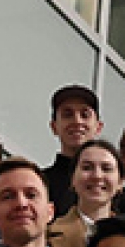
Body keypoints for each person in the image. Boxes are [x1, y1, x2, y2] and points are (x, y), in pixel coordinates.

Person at [46, 137, 125, 247]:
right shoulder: (47, 236)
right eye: (87, 168)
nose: (97, 176)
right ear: (72, 179)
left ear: (121, 182)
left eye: (106, 168)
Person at [43, 83, 102, 212]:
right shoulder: (41, 183)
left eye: (85, 115)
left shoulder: (109, 184)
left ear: (98, 127)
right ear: (54, 127)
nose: (77, 121)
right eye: (67, 114)